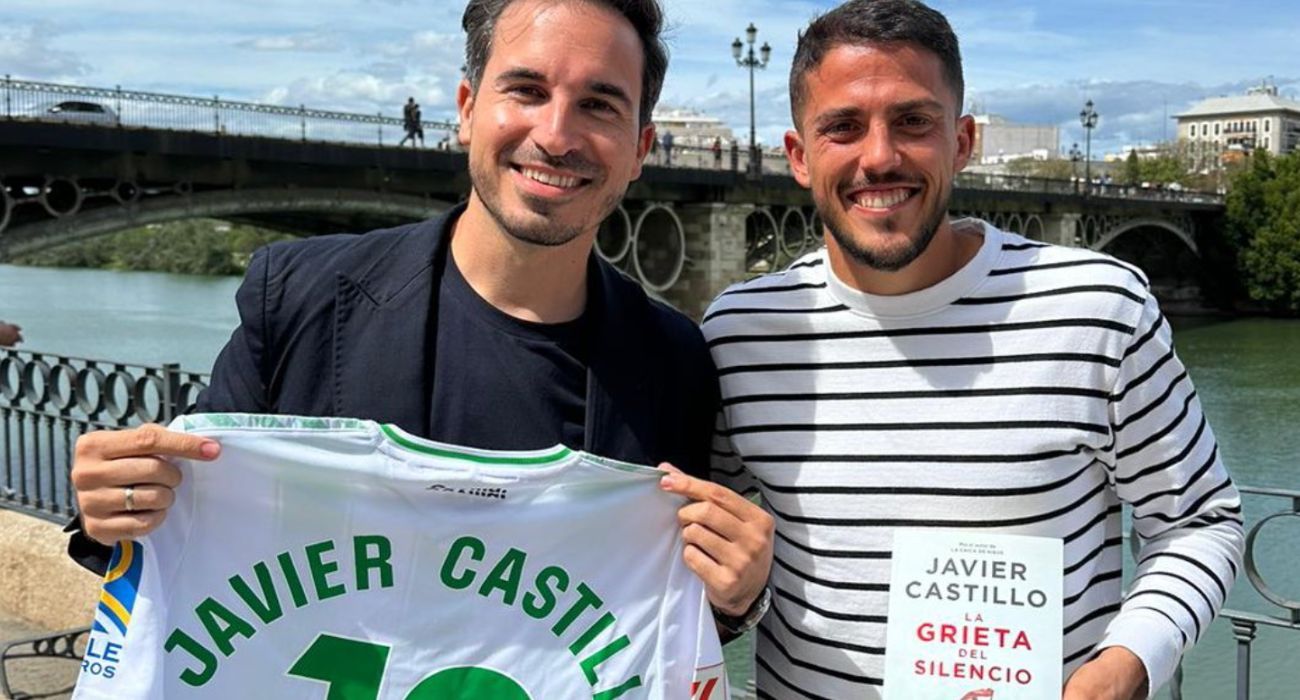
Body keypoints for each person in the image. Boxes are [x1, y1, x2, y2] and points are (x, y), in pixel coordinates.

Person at [69, 0, 773, 637]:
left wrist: (735, 597)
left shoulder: (676, 359)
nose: (557, 135)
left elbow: (658, 622)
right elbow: (188, 536)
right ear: (467, 109)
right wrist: (117, 505)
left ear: (641, 150)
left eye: (599, 105)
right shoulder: (298, 298)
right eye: (526, 91)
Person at [702, 1, 1243, 698]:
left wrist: (1127, 663)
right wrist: (731, 600)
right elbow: (698, 561)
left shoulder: (1098, 308)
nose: (879, 156)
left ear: (962, 142)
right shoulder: (739, 331)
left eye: (913, 122)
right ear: (800, 156)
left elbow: (1200, 520)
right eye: (843, 126)